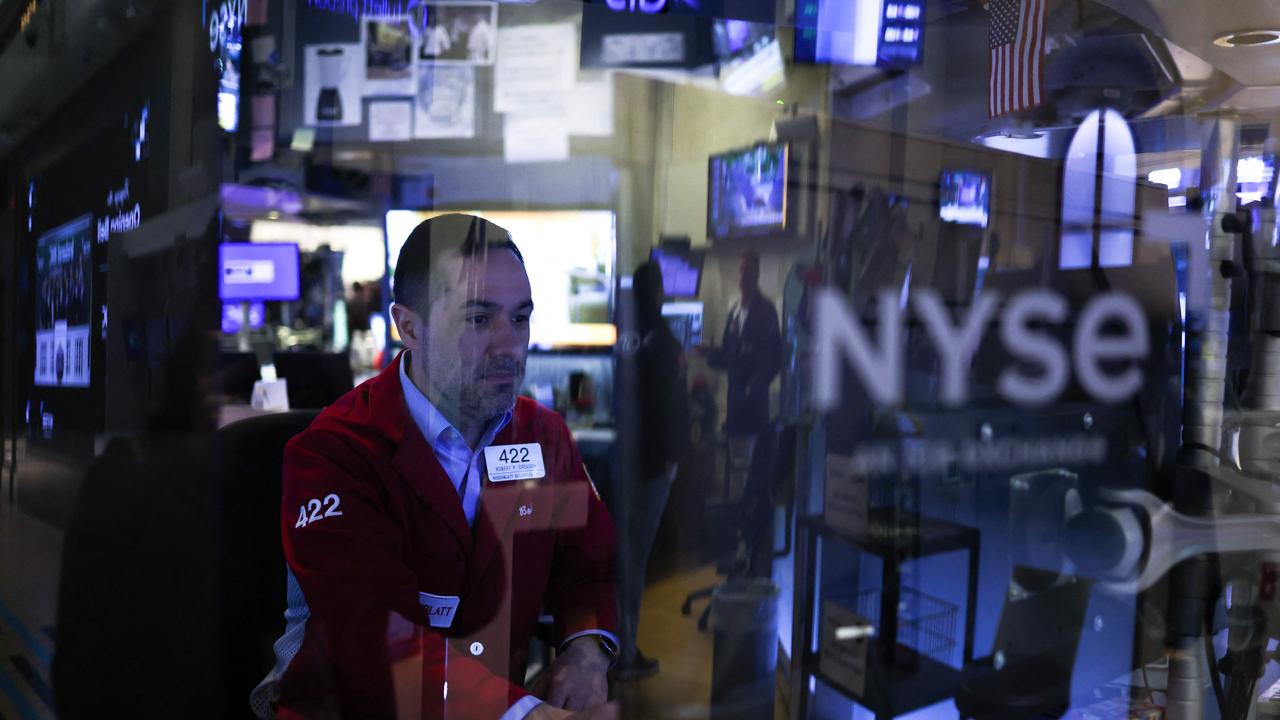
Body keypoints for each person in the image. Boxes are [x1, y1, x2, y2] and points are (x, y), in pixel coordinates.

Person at [251, 214, 619, 720]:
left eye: (520, 318)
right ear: (409, 327)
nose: (509, 345)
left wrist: (586, 652)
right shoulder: (336, 455)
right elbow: (378, 643)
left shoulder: (543, 437)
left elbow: (590, 564)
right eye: (478, 318)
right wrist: (526, 714)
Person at [617, 261, 689, 679]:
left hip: (618, 462)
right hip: (651, 465)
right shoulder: (664, 339)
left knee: (615, 557)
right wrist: (674, 457)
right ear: (658, 292)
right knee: (635, 561)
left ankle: (607, 646)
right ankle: (625, 652)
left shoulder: (620, 332)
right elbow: (672, 405)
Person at [699, 251, 780, 500]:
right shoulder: (735, 312)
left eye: (749, 270)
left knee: (753, 472)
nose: (744, 275)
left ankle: (749, 522)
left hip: (754, 408)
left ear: (757, 274)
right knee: (735, 470)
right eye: (742, 270)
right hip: (735, 406)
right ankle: (734, 521)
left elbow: (774, 358)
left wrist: (754, 386)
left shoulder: (766, 312)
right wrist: (710, 354)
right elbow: (729, 358)